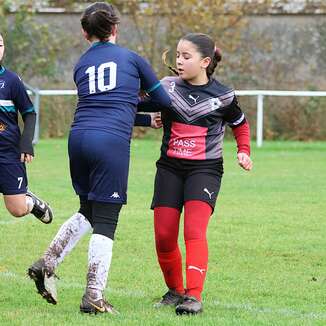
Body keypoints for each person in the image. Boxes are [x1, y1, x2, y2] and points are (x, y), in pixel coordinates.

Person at [27, 2, 170, 315]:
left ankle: (47, 262)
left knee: (88, 209)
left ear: (84, 33)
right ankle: (93, 296)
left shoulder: (81, 64)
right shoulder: (131, 58)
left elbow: (104, 103)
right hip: (110, 143)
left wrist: (142, 119)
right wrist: (142, 104)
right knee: (107, 218)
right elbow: (163, 100)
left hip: (78, 138)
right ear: (115, 29)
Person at [139, 33, 252, 315]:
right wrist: (143, 115)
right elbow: (130, 104)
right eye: (177, 55)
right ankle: (175, 291)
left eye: (186, 56)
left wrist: (244, 150)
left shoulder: (224, 95)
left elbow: (240, 123)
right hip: (169, 167)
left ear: (205, 62)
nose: (179, 61)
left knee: (193, 230)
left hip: (205, 169)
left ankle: (193, 296)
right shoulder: (166, 88)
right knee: (164, 235)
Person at [0, 33, 53, 224]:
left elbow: (29, 113)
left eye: (0, 45)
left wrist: (26, 143)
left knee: (17, 210)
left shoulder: (11, 80)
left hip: (8, 152)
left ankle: (31, 203)